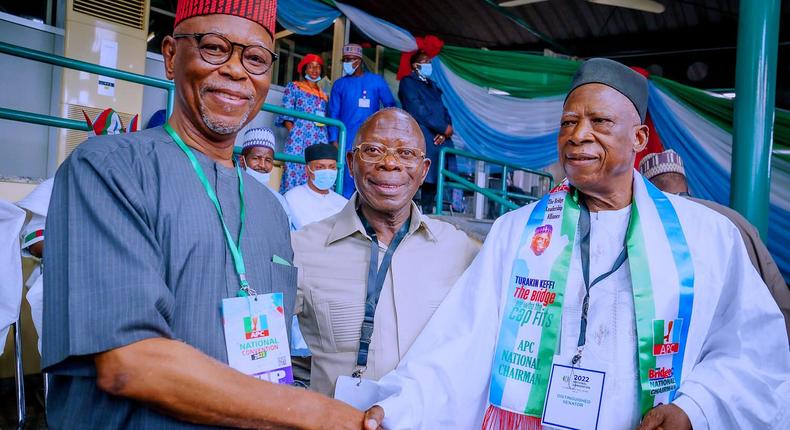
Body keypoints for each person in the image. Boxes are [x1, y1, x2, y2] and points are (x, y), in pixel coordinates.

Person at [362, 58, 790, 430]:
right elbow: (462, 342)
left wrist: (694, 409)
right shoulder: (516, 232)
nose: (578, 134)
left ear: (639, 139)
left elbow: (754, 353)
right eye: (568, 122)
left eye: (599, 122)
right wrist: (400, 407)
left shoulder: (706, 237)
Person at [42, 1, 367, 428]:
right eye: (215, 48)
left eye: (255, 58)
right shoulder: (109, 168)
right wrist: (315, 413)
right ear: (172, 56)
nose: (236, 71)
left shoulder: (270, 207)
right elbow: (130, 362)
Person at [292, 108, 479, 398]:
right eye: (374, 150)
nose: (390, 163)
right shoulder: (301, 248)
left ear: (424, 170)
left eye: (406, 154)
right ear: (352, 162)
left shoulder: (462, 250)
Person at [639, 149, 790, 339]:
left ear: (647, 192)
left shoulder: (651, 228)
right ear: (686, 184)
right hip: (753, 342)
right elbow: (776, 288)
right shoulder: (733, 220)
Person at [327, 43, 397, 199]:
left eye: (350, 59)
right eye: (344, 59)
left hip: (371, 138)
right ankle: (344, 211)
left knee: (369, 174)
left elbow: (391, 106)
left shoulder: (376, 81)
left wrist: (385, 132)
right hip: (346, 138)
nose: (347, 63)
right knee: (345, 178)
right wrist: (334, 139)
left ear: (359, 60)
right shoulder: (340, 84)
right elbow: (333, 113)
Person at [398, 50, 455, 214]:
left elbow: (444, 110)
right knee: (419, 173)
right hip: (422, 133)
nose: (428, 65)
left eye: (429, 62)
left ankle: (428, 211)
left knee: (435, 175)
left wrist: (445, 132)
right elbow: (417, 110)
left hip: (439, 137)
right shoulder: (408, 83)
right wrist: (441, 128)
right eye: (425, 61)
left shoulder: (433, 86)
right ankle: (411, 211)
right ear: (415, 65)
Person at [277, 53, 330, 193]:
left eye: (318, 67)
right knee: (294, 168)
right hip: (299, 136)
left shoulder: (324, 95)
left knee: (317, 170)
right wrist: (294, 132)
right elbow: (286, 111)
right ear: (304, 69)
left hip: (319, 137)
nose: (314, 70)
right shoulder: (295, 87)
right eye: (311, 66)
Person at [240, 126, 296, 230]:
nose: (262, 165)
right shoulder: (231, 192)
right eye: (256, 158)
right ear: (242, 160)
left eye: (268, 160)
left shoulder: (279, 201)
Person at [284, 143, 348, 229]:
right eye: (320, 167)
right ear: (307, 170)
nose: (327, 171)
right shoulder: (293, 197)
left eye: (332, 167)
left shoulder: (344, 204)